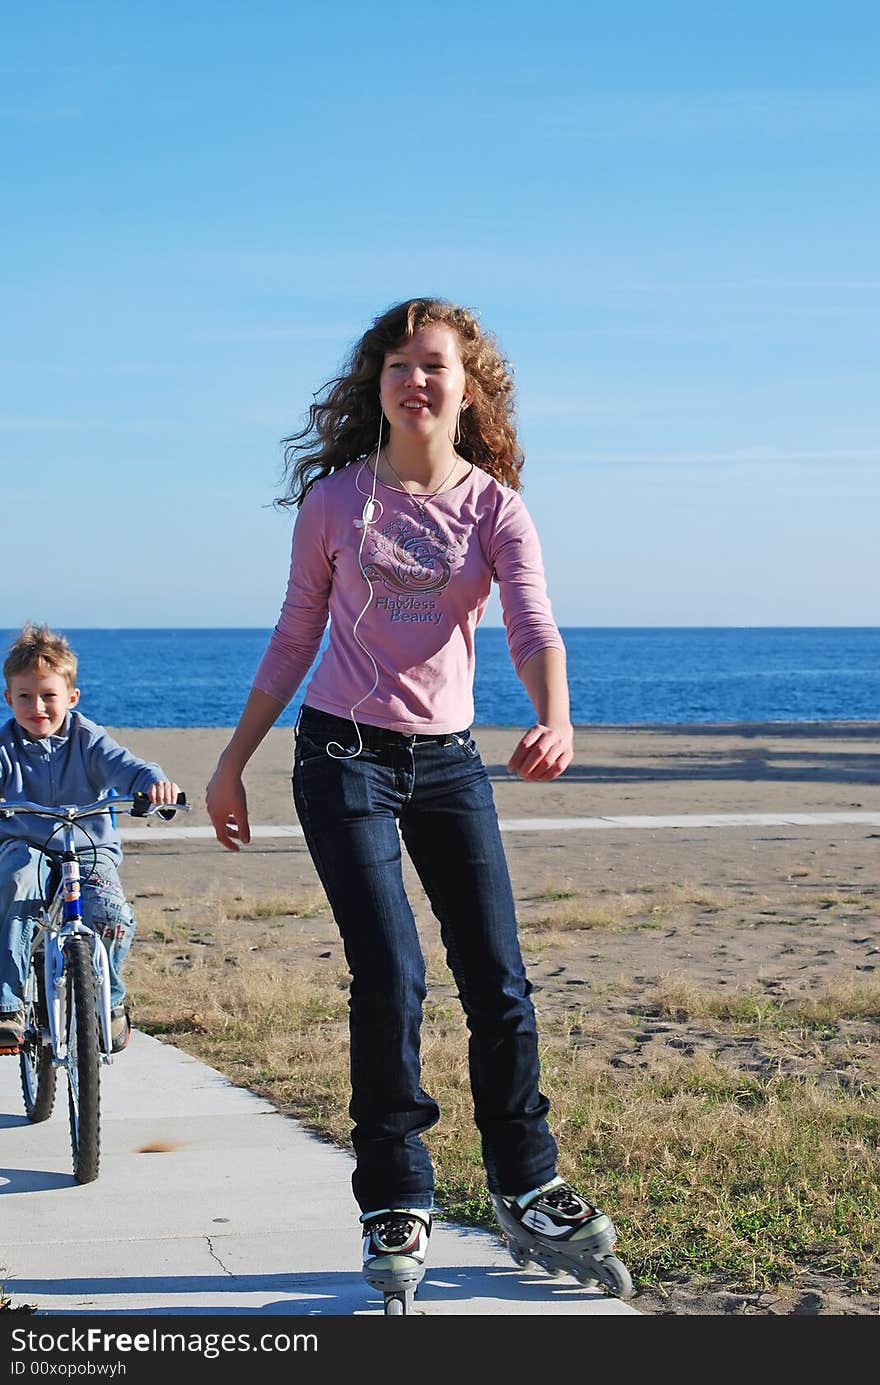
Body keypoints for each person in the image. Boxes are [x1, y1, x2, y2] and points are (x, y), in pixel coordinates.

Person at [205, 297, 630, 1303]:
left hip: (445, 761)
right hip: (340, 754)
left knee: (497, 974)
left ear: (466, 386)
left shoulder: (494, 509)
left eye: (433, 363)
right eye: (397, 363)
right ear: (379, 384)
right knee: (390, 974)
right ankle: (396, 1193)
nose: (414, 379)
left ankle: (527, 1180)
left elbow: (532, 623)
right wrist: (231, 762)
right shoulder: (335, 502)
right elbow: (294, 634)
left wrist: (555, 714)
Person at [0, 622, 181, 1052]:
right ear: (8, 699)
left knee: (113, 917)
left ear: (71, 698)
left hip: (88, 847)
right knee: (14, 882)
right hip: (26, 845)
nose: (37, 706)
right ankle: (8, 1006)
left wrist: (155, 784)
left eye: (49, 696)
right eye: (24, 696)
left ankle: (111, 1002)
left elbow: (129, 767)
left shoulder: (87, 738)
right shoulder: (5, 747)